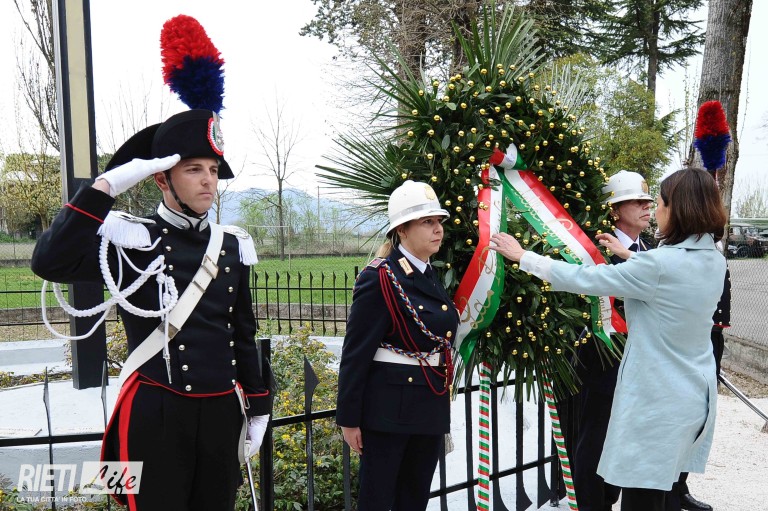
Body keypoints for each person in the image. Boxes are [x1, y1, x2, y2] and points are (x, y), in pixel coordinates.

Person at [31, 108, 271, 511]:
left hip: (221, 411)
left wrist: (259, 406)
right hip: (155, 411)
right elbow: (49, 261)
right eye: (194, 169)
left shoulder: (232, 245)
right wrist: (104, 187)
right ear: (161, 179)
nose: (208, 180)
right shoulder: (131, 239)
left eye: (213, 170)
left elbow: (241, 333)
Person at [490, 167, 727, 511]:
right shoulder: (713, 259)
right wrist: (630, 255)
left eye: (659, 203)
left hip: (656, 402)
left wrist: (523, 256)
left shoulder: (657, 265)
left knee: (642, 499)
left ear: (678, 209)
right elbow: (667, 272)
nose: (655, 210)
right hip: (692, 397)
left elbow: (588, 278)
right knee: (662, 494)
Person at [336, 180, 459, 511]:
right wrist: (348, 419)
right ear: (402, 230)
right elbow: (355, 354)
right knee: (377, 502)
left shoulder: (430, 274)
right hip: (388, 413)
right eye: (427, 222)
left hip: (428, 405)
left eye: (439, 222)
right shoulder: (380, 278)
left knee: (414, 501)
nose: (438, 229)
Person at [569, 170, 654, 511]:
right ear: (615, 210)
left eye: (648, 201)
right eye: (637, 201)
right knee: (596, 440)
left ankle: (610, 497)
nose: (647, 207)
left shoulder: (649, 250)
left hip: (640, 361)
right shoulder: (596, 250)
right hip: (603, 360)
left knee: (628, 438)